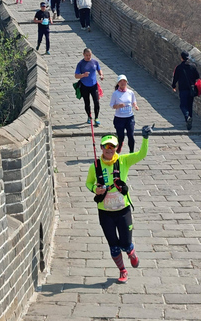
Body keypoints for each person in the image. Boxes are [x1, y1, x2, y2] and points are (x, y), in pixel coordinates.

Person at [85, 125, 154, 283]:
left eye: (112, 146)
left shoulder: (124, 161)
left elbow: (142, 154)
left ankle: (131, 253)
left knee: (125, 242)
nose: (109, 150)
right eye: (106, 146)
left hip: (123, 209)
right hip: (105, 211)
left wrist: (145, 138)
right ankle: (122, 271)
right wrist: (96, 189)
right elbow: (89, 183)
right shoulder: (94, 166)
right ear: (101, 148)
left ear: (117, 147)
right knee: (113, 245)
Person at [74, 48, 104, 125]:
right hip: (84, 86)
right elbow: (76, 76)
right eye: (86, 55)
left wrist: (101, 75)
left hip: (94, 86)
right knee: (87, 103)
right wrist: (83, 75)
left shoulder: (95, 62)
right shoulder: (80, 64)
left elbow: (99, 69)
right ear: (83, 54)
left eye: (89, 55)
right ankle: (89, 116)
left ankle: (96, 117)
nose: (88, 57)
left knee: (96, 102)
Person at [172, 51, 200, 130]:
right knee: (190, 105)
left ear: (181, 58)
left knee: (183, 105)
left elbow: (175, 78)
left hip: (183, 89)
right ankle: (189, 122)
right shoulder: (193, 66)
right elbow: (197, 76)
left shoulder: (179, 67)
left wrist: (173, 86)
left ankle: (187, 117)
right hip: (191, 89)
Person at [111, 75, 139, 153]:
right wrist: (118, 106)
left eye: (124, 81)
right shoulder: (115, 94)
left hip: (129, 117)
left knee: (131, 135)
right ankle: (120, 145)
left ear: (126, 82)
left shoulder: (130, 92)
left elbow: (133, 101)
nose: (122, 83)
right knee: (120, 136)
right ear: (118, 83)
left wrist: (135, 106)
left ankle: (131, 152)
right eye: (121, 81)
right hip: (119, 118)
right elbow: (112, 105)